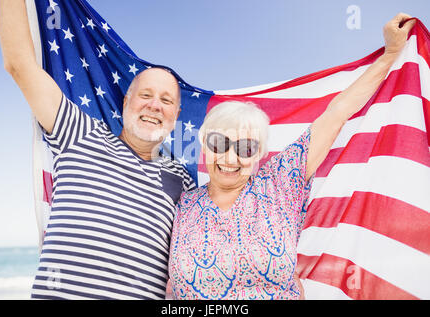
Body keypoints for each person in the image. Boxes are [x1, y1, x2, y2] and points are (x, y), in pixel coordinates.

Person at [168, 13, 416, 299]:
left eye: (245, 147)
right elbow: (171, 290)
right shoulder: (184, 204)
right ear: (203, 145)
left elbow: (336, 113)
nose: (230, 156)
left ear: (259, 153)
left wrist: (391, 54)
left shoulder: (280, 183)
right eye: (219, 142)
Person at [0, 0, 194, 299]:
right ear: (126, 101)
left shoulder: (184, 181)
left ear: (176, 115)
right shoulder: (79, 133)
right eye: (145, 95)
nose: (155, 105)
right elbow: (19, 65)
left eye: (166, 100)